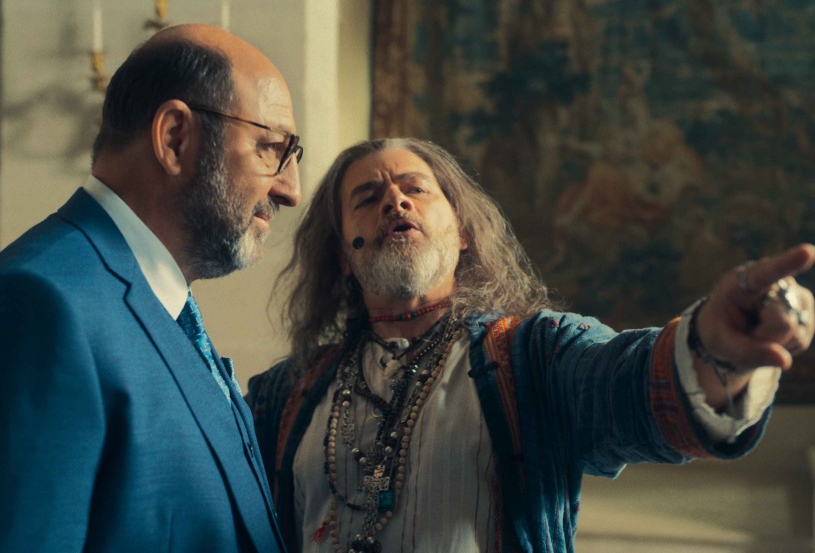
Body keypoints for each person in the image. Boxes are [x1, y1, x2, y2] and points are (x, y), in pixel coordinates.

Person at [246, 137, 814, 553]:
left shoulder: (534, 356)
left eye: (415, 188)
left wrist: (715, 349)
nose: (396, 201)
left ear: (461, 232)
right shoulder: (282, 395)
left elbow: (630, 387)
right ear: (343, 255)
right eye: (368, 197)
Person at [0, 24, 302, 553]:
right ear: (174, 138)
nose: (291, 189)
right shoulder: (33, 309)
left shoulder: (164, 306)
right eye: (272, 148)